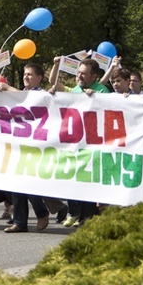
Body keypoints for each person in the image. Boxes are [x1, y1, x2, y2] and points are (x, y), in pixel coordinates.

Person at [0, 56, 51, 233]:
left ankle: (41, 212)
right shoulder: (17, 93)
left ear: (39, 78)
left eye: (30, 74)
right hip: (17, 143)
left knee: (29, 184)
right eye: (24, 74)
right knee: (16, 183)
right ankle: (20, 222)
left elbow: (29, 101)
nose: (26, 77)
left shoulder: (42, 94)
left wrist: (8, 88)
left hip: (35, 145)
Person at [49, 56, 109, 227]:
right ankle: (83, 217)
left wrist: (96, 98)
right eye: (78, 73)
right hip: (76, 144)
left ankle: (88, 219)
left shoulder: (102, 90)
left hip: (93, 145)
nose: (79, 76)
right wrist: (55, 65)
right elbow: (53, 81)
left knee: (89, 185)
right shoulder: (75, 90)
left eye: (84, 74)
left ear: (94, 77)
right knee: (79, 184)